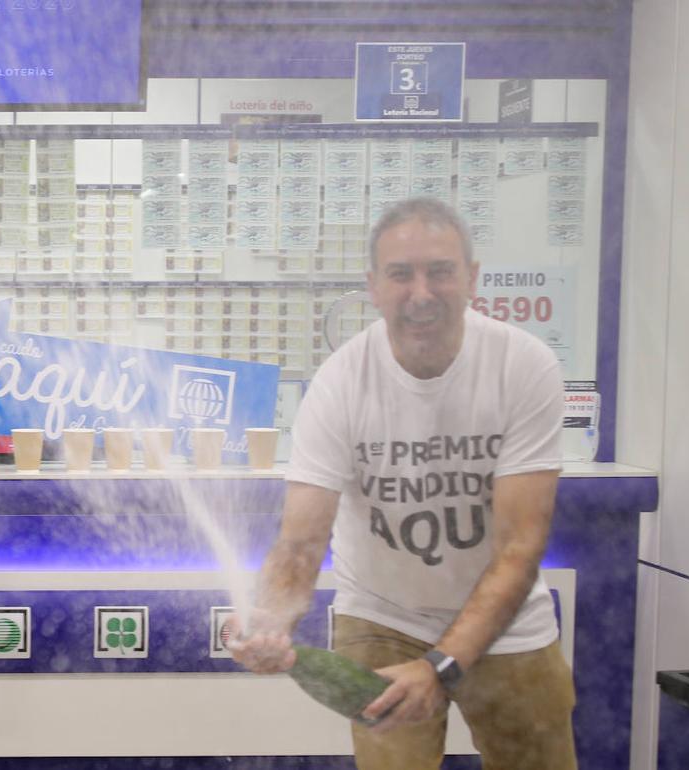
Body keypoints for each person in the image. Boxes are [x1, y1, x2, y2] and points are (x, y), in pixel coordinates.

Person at [229, 197, 576, 769]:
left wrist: (442, 664)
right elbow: (300, 543)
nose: (421, 293)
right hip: (382, 617)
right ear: (373, 286)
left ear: (471, 278)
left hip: (508, 623)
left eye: (440, 271)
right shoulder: (339, 384)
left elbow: (520, 547)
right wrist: (269, 622)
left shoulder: (524, 366)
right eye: (401, 274)